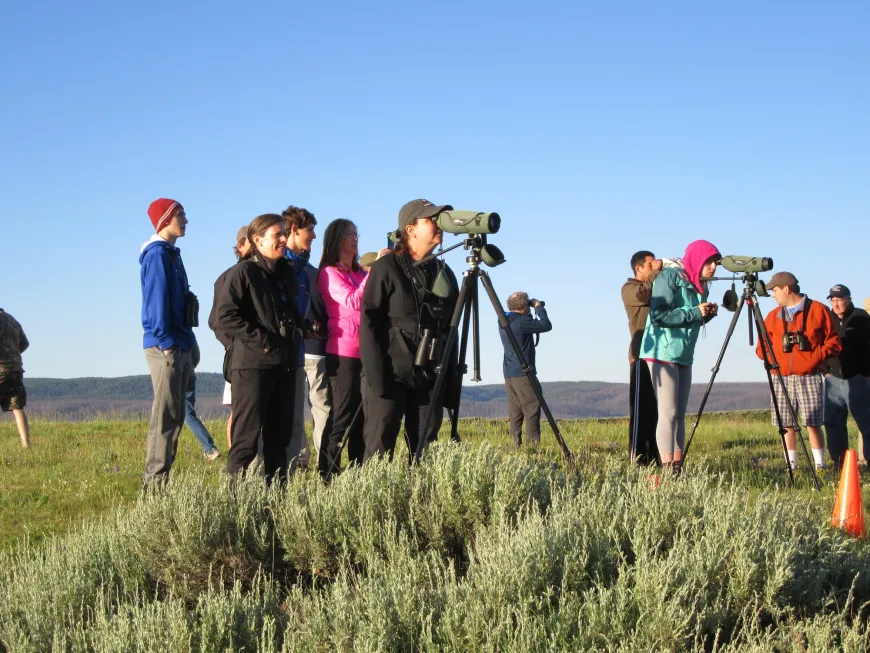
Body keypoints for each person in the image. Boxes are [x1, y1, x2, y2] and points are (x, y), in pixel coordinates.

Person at [361, 199, 459, 462]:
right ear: (410, 229)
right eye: (431, 220)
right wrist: (376, 376)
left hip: (429, 373)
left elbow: (452, 327)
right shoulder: (387, 267)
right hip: (390, 373)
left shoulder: (443, 272)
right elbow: (369, 323)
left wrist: (449, 382)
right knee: (380, 449)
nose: (439, 225)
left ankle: (422, 501)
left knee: (427, 450)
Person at [213, 214, 301, 483]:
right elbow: (223, 317)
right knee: (245, 442)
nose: (284, 239)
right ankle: (234, 508)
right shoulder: (243, 273)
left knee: (280, 441)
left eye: (285, 233)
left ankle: (274, 504)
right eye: (277, 235)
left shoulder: (285, 274)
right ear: (257, 240)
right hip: (251, 367)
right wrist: (262, 342)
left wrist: (304, 326)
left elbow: (286, 317)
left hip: (284, 365)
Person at [639, 240, 721, 474]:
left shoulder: (699, 284)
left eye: (716, 263)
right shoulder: (670, 277)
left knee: (680, 414)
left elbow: (687, 318)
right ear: (697, 259)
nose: (714, 267)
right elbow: (658, 315)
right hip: (662, 352)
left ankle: (677, 465)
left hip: (683, 353)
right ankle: (668, 469)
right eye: (709, 262)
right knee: (668, 413)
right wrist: (695, 312)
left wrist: (705, 315)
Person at [757, 271, 841, 471]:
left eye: (775, 290)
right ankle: (791, 467)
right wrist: (773, 360)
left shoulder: (818, 310)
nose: (773, 295)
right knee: (786, 424)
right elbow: (762, 346)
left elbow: (834, 341)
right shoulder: (773, 316)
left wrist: (817, 356)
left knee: (813, 423)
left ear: (787, 289)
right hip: (781, 376)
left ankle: (820, 466)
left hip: (809, 375)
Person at [140, 198, 197, 487]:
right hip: (167, 344)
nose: (186, 220)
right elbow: (156, 301)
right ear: (165, 219)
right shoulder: (157, 256)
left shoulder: (172, 254)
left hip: (179, 341)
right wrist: (165, 341)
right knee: (165, 417)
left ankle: (162, 482)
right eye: (180, 215)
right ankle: (154, 487)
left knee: (174, 416)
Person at [317, 219, 371, 478]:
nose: (355, 238)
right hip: (343, 352)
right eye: (350, 234)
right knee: (342, 414)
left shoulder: (359, 272)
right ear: (337, 239)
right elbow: (352, 301)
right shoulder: (330, 272)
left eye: (356, 233)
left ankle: (359, 471)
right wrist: (372, 273)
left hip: (366, 351)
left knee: (363, 416)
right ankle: (328, 472)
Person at [282, 205, 321, 471]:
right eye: (310, 231)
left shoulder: (303, 269)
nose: (314, 237)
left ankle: (293, 471)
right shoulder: (281, 266)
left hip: (296, 350)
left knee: (296, 417)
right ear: (294, 229)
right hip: (280, 353)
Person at [209, 226, 252, 449]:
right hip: (239, 354)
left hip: (260, 355)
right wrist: (234, 344)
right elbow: (217, 320)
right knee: (239, 408)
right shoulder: (227, 277)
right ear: (240, 246)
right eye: (250, 242)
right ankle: (236, 456)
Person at [621, 250, 663, 465]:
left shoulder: (657, 287)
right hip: (640, 355)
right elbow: (644, 295)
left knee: (657, 411)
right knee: (640, 410)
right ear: (638, 268)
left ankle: (655, 457)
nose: (655, 267)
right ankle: (636, 458)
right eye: (650, 265)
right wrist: (657, 272)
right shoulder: (630, 289)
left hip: (661, 354)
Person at [823, 284, 870, 472]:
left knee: (866, 422)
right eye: (833, 300)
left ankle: (867, 461)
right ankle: (839, 462)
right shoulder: (827, 318)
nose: (836, 304)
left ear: (848, 299)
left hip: (857, 378)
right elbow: (820, 342)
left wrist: (866, 373)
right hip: (832, 378)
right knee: (833, 421)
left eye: (839, 299)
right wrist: (825, 371)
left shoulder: (861, 317)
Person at [499, 291, 552, 447]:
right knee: (532, 408)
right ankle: (532, 448)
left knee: (515, 412)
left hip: (509, 373)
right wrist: (538, 307)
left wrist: (527, 311)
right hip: (523, 372)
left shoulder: (504, 320)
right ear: (523, 306)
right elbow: (546, 325)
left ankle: (515, 446)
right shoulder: (521, 322)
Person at [0, 308, 30, 448]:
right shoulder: (12, 320)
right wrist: (12, 355)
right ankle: (26, 444)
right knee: (17, 407)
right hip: (16, 369)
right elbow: (24, 343)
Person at [184, 343, 220, 460]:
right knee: (187, 414)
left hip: (178, 375)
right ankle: (209, 448)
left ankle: (210, 448)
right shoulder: (187, 332)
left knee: (186, 415)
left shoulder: (169, 333)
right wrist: (190, 366)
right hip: (190, 373)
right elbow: (196, 356)